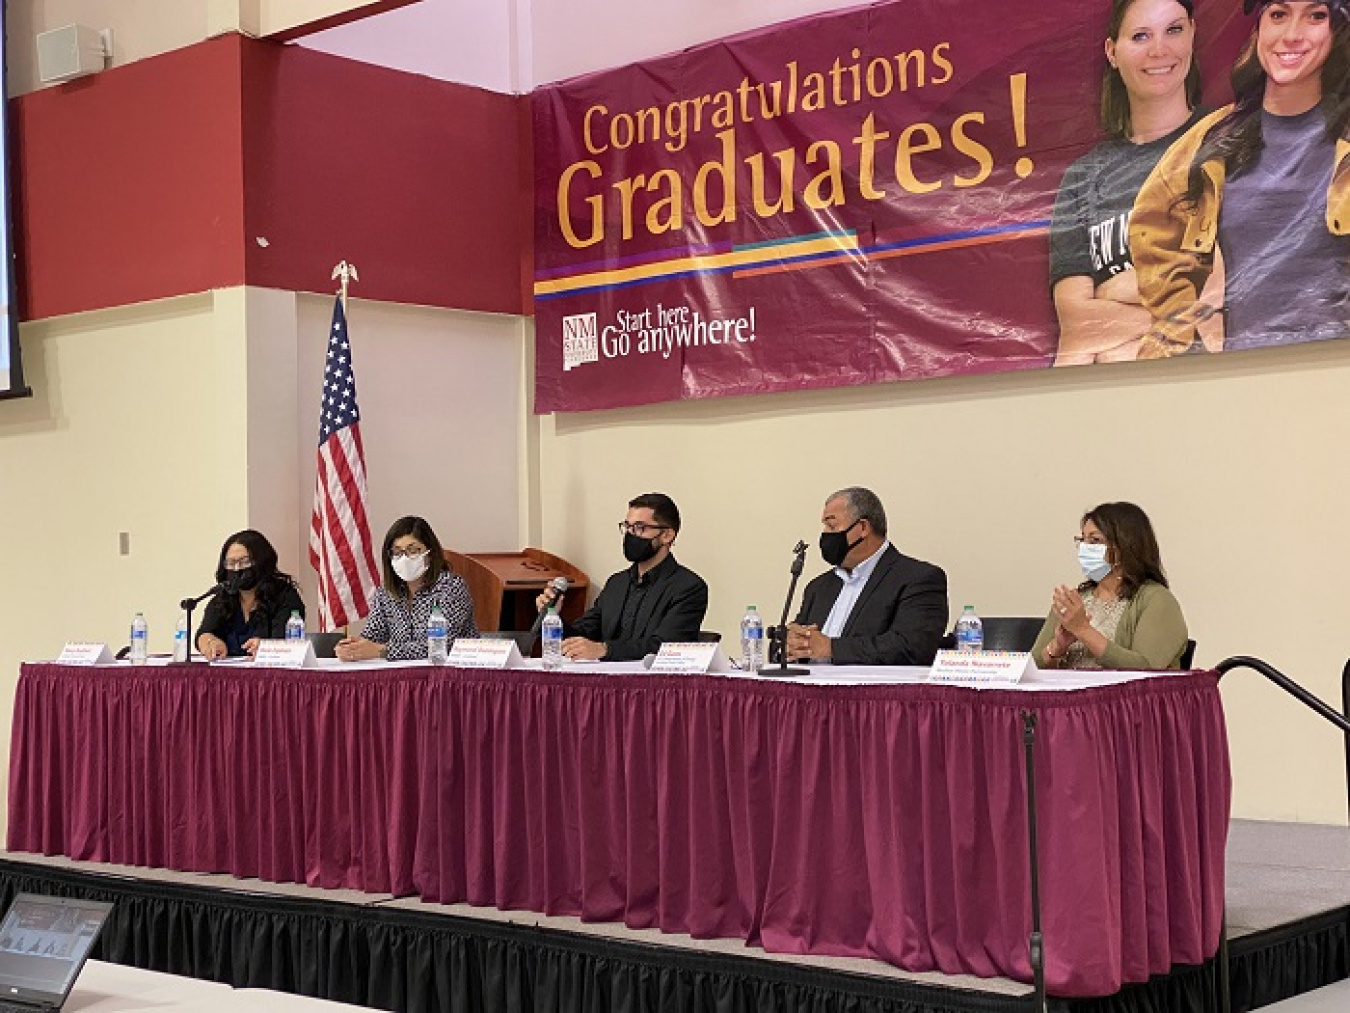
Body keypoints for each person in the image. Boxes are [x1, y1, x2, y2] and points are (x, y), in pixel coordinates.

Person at [1131, 0, 1350, 357]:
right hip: (1242, 377)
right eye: (1278, 14)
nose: (1292, 35)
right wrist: (1184, 343)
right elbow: (1155, 240)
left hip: (1336, 372)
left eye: (1316, 16)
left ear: (1339, 29)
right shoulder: (1209, 143)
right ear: (1259, 27)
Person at [1049, 0, 1221, 365]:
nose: (1159, 50)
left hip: (1209, 390)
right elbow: (1076, 327)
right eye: (1141, 36)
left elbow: (1223, 301)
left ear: (1192, 32)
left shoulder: (1227, 142)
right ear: (1112, 52)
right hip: (1110, 402)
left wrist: (1112, 291)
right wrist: (1175, 308)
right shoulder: (1083, 177)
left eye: (1173, 30)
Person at [537, 492, 707, 661]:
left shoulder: (688, 587)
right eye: (628, 526)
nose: (631, 534)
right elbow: (583, 635)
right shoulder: (616, 584)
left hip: (654, 684)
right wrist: (552, 616)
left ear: (667, 535)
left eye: (640, 527)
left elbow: (666, 646)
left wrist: (605, 650)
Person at [787, 487, 948, 666]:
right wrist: (791, 642)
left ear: (863, 527)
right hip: (809, 692)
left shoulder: (918, 579)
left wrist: (831, 647)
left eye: (832, 525)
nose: (825, 534)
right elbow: (801, 645)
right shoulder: (818, 587)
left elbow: (913, 647)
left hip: (875, 693)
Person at [1032, 502, 1188, 669]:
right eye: (1083, 540)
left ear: (1125, 546)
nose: (1085, 548)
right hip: (1065, 694)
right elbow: (1029, 669)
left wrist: (1083, 630)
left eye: (1095, 540)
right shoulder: (1074, 600)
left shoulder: (1156, 599)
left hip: (1121, 696)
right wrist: (1056, 648)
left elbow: (1146, 669)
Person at [335, 515, 478, 661]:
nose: (404, 558)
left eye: (413, 550)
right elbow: (372, 637)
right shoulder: (386, 591)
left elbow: (440, 647)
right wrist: (354, 648)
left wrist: (382, 651)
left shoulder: (451, 587)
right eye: (397, 552)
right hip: (402, 676)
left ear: (430, 553)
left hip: (453, 676)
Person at [197, 530, 306, 659]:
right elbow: (204, 633)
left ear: (261, 562)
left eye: (245, 562)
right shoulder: (224, 597)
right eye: (231, 563)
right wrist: (211, 643)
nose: (237, 569)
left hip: (271, 674)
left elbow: (286, 642)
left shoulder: (285, 595)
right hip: (228, 675)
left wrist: (266, 649)